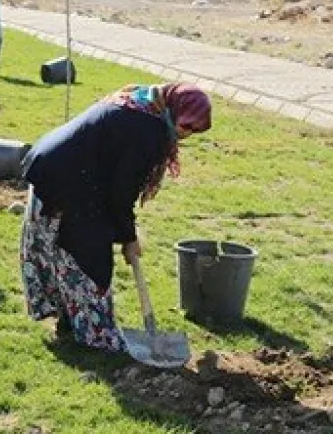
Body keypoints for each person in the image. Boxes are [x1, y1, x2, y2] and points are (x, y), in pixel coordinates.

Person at [19, 83, 213, 350]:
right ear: (175, 108)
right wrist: (128, 238)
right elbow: (121, 193)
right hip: (65, 180)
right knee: (88, 257)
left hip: (56, 169)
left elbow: (116, 182)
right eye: (186, 125)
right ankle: (96, 337)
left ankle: (71, 322)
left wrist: (124, 233)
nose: (186, 133)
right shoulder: (148, 130)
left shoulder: (142, 102)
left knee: (72, 249)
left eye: (195, 130)